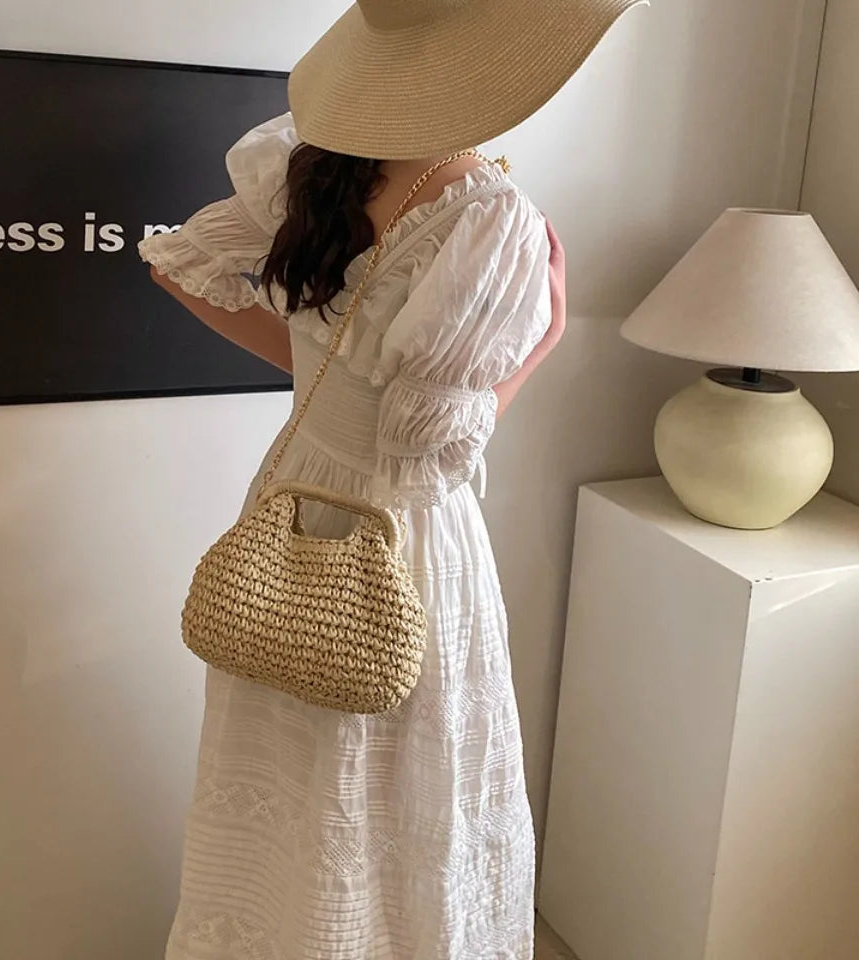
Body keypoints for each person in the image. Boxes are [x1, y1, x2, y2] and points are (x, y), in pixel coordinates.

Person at [138, 2, 643, 957]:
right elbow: (429, 448)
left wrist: (322, 385)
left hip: (292, 488)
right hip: (398, 532)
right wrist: (543, 345)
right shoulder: (491, 216)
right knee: (404, 778)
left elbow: (182, 270)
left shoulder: (312, 166)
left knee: (286, 755)